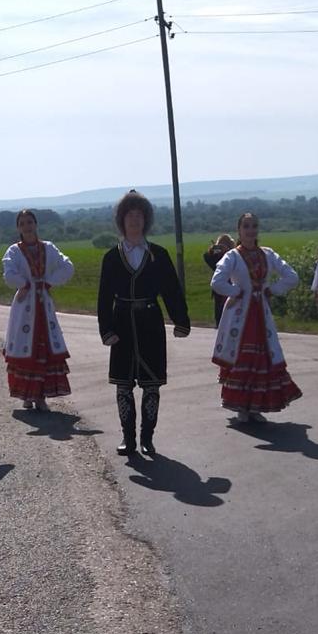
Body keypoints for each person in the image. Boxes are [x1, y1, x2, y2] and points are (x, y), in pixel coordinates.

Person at [97, 190, 190, 456]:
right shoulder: (112, 257)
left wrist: (181, 320)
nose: (134, 219)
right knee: (123, 385)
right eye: (130, 215)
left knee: (151, 385)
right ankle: (128, 438)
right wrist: (106, 330)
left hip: (150, 322)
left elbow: (172, 290)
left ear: (145, 219)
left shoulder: (158, 254)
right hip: (122, 323)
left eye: (139, 215)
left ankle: (147, 438)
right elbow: (104, 297)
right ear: (122, 220)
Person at [211, 212, 302, 422]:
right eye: (246, 226)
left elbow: (292, 277)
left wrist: (272, 289)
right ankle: (242, 407)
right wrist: (236, 291)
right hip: (240, 316)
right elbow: (217, 282)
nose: (250, 230)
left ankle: (255, 407)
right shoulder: (232, 256)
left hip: (261, 314)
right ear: (239, 230)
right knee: (243, 356)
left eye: (254, 226)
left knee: (262, 357)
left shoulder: (268, 254)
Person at [2, 209, 74, 411]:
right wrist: (24, 284)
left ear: (35, 224)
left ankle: (40, 397)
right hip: (24, 306)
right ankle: (26, 395)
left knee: (44, 348)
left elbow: (67, 266)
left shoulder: (48, 248)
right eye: (22, 223)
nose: (27, 226)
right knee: (26, 348)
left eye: (30, 222)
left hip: (44, 306)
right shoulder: (14, 251)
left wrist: (49, 282)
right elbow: (8, 273)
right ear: (18, 228)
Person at [203, 234, 234, 326]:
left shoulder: (233, 254)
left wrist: (227, 251)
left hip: (231, 287)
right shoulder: (216, 257)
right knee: (219, 313)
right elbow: (207, 257)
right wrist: (212, 250)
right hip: (219, 290)